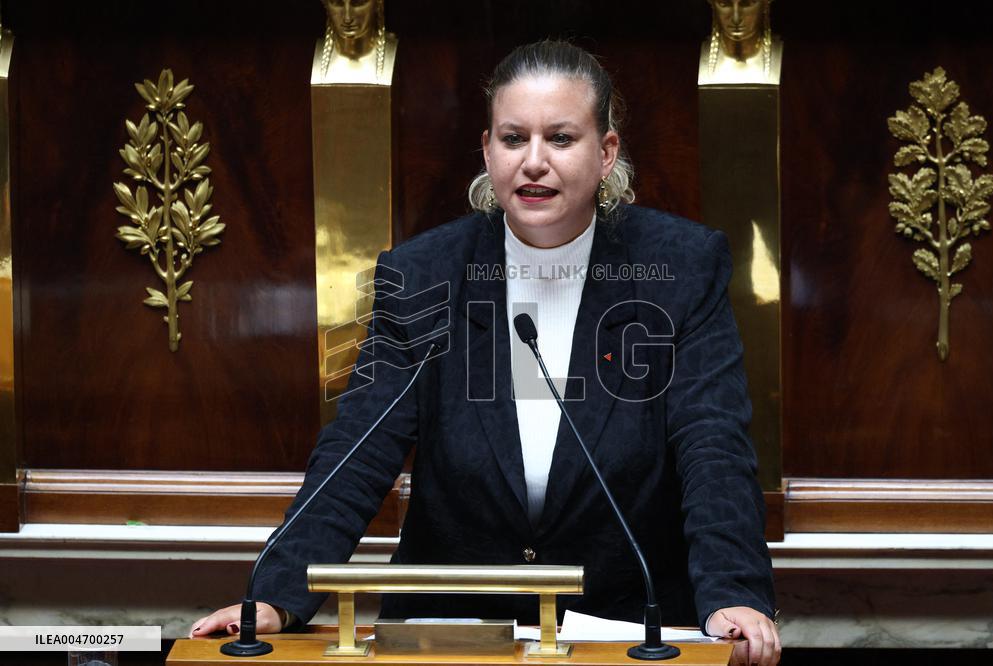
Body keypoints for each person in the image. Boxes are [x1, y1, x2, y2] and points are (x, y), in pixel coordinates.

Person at [193, 40, 780, 666]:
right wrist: (275, 597)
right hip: (451, 630)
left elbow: (712, 443)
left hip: (622, 626)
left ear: (606, 152)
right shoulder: (425, 275)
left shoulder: (681, 268)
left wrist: (734, 593)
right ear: (486, 149)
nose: (533, 162)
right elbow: (356, 453)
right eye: (512, 138)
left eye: (559, 138)